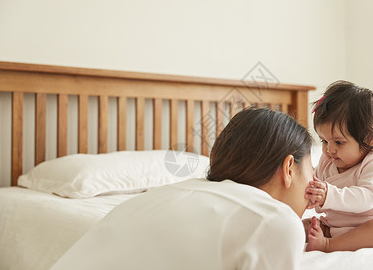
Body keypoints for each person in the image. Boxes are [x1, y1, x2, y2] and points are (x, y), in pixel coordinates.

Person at [51, 107, 314, 270]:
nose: (316, 184)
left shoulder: (150, 199)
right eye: (312, 171)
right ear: (289, 168)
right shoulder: (275, 221)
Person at [304, 80, 373, 252]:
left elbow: (365, 199)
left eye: (338, 142)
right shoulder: (326, 161)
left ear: (368, 139)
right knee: (305, 225)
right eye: (324, 141)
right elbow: (317, 189)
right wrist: (313, 195)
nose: (329, 149)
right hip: (338, 228)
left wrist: (327, 194)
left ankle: (329, 245)